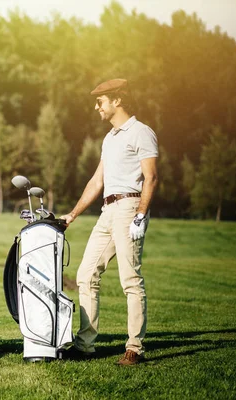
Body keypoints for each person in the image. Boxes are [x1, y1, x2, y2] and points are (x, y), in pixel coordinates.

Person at [60, 78, 158, 366]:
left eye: (100, 101)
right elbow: (97, 181)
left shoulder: (141, 133)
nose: (96, 107)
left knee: (130, 279)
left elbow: (151, 177)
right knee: (86, 274)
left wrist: (140, 215)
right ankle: (85, 345)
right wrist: (73, 214)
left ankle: (134, 348)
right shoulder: (110, 138)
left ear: (117, 100)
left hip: (130, 206)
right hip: (108, 210)